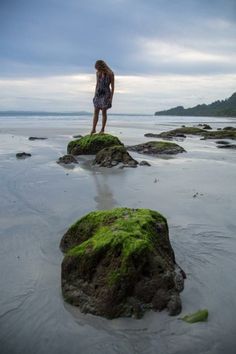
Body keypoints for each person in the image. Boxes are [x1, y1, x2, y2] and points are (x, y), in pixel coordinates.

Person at [91, 60, 115, 134]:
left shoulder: (110, 73)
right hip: (98, 93)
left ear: (101, 66)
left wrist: (111, 98)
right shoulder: (98, 73)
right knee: (96, 111)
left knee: (104, 112)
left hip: (106, 93)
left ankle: (102, 129)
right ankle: (93, 129)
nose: (97, 70)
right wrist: (95, 94)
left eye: (98, 68)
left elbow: (113, 87)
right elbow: (97, 84)